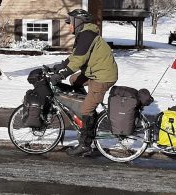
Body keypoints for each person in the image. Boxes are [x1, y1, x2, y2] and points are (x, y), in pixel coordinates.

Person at [51, 9, 118, 157]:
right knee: (73, 80)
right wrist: (61, 66)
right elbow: (75, 56)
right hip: (95, 72)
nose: (68, 26)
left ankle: (85, 144)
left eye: (70, 22)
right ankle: (86, 104)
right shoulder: (84, 34)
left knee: (86, 110)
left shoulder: (87, 35)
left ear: (78, 22)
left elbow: (79, 60)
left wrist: (62, 73)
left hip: (102, 76)